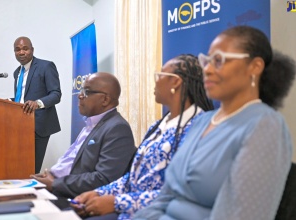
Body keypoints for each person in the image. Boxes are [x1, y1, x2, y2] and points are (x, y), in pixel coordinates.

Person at [133, 26, 296, 220]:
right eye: (207, 61)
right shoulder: (202, 121)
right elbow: (165, 197)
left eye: (218, 60)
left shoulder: (265, 126)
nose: (207, 69)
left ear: (255, 67)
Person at [71, 54, 214, 220]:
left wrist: (117, 202)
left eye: (160, 75)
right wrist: (98, 193)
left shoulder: (197, 128)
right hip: (132, 208)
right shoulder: (158, 125)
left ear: (176, 82)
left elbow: (179, 193)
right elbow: (134, 177)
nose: (156, 81)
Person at [31, 72, 137, 199]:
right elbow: (72, 163)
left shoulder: (117, 128)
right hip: (54, 186)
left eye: (87, 92)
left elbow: (104, 179)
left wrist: (55, 183)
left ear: (105, 99)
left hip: (75, 198)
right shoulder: (91, 124)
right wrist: (50, 176)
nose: (80, 95)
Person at [12, 36, 62, 173]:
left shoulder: (46, 66)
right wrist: (9, 102)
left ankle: (31, 193)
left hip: (38, 125)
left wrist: (38, 103)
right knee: (19, 167)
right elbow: (21, 98)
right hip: (19, 124)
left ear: (32, 50)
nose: (21, 52)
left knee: (31, 169)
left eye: (25, 49)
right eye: (17, 50)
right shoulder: (17, 73)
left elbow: (56, 94)